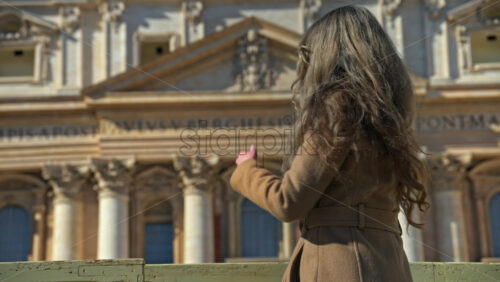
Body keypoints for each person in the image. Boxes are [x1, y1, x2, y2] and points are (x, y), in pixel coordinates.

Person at [229, 5, 429, 282]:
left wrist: (246, 170)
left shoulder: (336, 105)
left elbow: (288, 201)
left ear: (325, 54)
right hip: (388, 264)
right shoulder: (387, 114)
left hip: (341, 265)